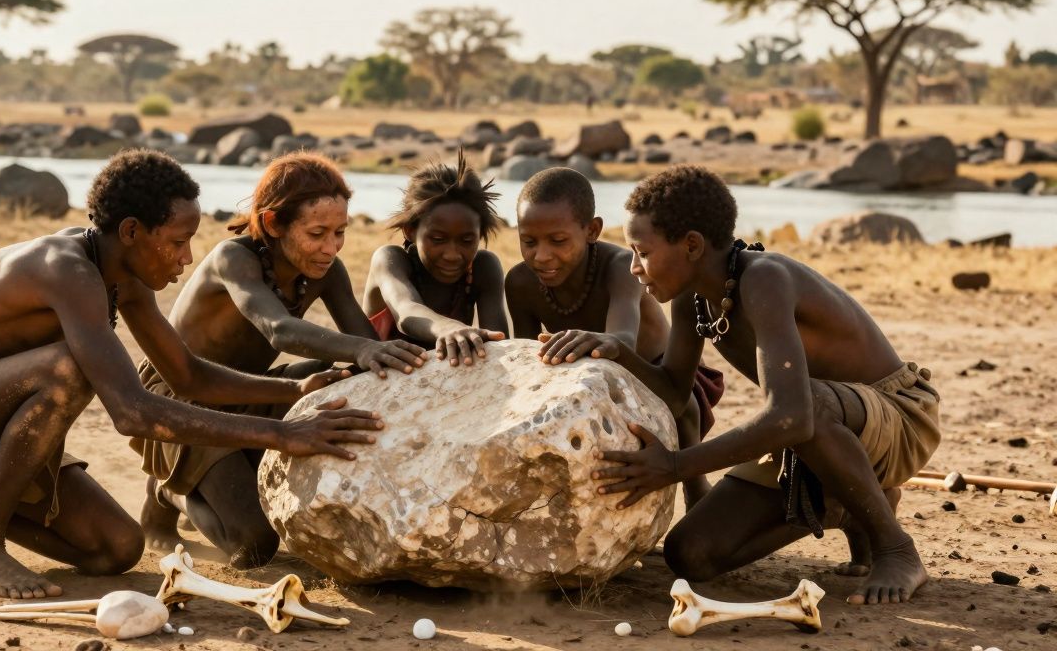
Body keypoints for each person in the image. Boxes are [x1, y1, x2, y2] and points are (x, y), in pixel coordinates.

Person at [0, 148, 382, 599]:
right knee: (66, 371)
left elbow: (189, 378)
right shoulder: (66, 268)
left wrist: (293, 388)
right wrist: (281, 433)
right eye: (178, 241)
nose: (188, 256)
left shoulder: (124, 278)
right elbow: (132, 412)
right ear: (131, 231)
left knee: (117, 548)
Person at [592, 165, 939, 605]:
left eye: (642, 252)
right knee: (691, 554)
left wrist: (677, 466)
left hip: (901, 419)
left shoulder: (764, 278)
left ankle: (895, 547)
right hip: (814, 434)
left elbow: (792, 416)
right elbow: (676, 394)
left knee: (803, 405)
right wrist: (619, 353)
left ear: (692, 245)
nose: (634, 268)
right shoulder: (691, 298)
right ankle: (849, 504)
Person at [135, 151, 427, 567]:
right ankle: (170, 490)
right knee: (253, 546)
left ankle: (209, 475)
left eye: (340, 232)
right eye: (317, 233)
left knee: (351, 376)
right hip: (181, 395)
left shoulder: (327, 270)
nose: (331, 247)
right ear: (273, 224)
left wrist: (399, 361)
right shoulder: (233, 259)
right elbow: (280, 330)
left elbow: (363, 343)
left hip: (251, 387)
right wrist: (364, 348)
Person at [504, 167, 724, 506]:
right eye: (529, 242)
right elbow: (527, 355)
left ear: (592, 230)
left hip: (655, 372)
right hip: (584, 370)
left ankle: (696, 490)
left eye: (558, 241)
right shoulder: (520, 283)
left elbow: (622, 337)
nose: (541, 255)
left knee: (686, 409)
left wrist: (599, 345)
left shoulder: (620, 266)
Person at [362, 154, 510, 365]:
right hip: (374, 380)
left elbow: (499, 345)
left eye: (467, 240)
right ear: (410, 231)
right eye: (438, 239)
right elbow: (406, 311)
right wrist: (448, 328)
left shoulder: (483, 268)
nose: (452, 254)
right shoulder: (390, 261)